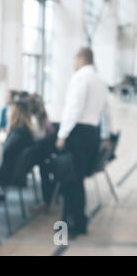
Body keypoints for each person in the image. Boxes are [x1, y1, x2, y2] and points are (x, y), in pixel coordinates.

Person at [55, 47, 110, 238]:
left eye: (74, 58)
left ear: (81, 59)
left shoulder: (80, 78)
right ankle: (75, 220)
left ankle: (77, 222)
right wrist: (105, 135)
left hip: (78, 134)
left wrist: (62, 135)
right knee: (77, 179)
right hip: (92, 133)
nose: (72, 62)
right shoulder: (100, 81)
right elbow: (105, 111)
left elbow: (74, 108)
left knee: (72, 180)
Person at [0, 100, 35, 199]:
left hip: (7, 173)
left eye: (9, 111)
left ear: (15, 114)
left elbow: (3, 152)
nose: (7, 113)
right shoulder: (25, 130)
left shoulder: (17, 132)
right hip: (14, 170)